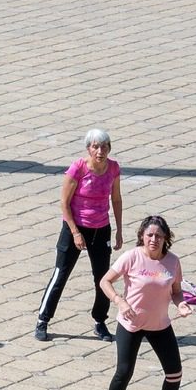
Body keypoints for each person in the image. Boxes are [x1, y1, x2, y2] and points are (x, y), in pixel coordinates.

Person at [97, 216, 193, 390]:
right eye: (149, 235)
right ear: (142, 236)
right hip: (131, 324)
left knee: (174, 372)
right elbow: (105, 281)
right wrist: (120, 301)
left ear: (166, 238)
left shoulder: (173, 261)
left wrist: (182, 305)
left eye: (158, 236)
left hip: (159, 324)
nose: (153, 239)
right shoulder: (132, 257)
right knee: (124, 371)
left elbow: (176, 291)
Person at [35, 128, 123, 343]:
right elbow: (64, 203)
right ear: (88, 149)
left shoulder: (113, 168)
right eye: (95, 147)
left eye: (104, 147)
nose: (100, 151)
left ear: (109, 148)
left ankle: (100, 321)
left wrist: (119, 230)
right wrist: (75, 232)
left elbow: (117, 199)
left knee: (103, 278)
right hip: (75, 227)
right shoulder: (78, 169)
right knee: (60, 274)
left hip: (101, 228)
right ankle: (43, 320)